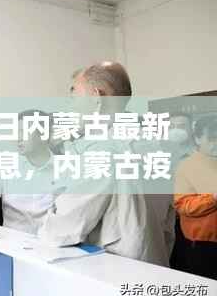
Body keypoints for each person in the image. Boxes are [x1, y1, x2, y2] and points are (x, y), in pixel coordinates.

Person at [39, 62, 169, 266]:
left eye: (74, 97)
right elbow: (167, 226)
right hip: (157, 265)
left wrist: (46, 226)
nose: (69, 107)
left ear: (97, 98)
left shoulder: (102, 151)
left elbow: (61, 232)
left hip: (117, 270)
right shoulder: (152, 144)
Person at [0, 110, 59, 235]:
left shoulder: (65, 170)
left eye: (24, 132)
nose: (18, 138)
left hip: (48, 242)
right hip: (11, 241)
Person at [174, 115, 217, 280]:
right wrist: (213, 198)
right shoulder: (187, 167)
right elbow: (183, 206)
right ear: (198, 139)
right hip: (204, 245)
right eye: (212, 138)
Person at [167, 112, 196, 270]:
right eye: (172, 126)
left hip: (192, 221)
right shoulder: (159, 155)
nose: (176, 130)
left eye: (181, 126)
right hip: (166, 221)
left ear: (191, 129)